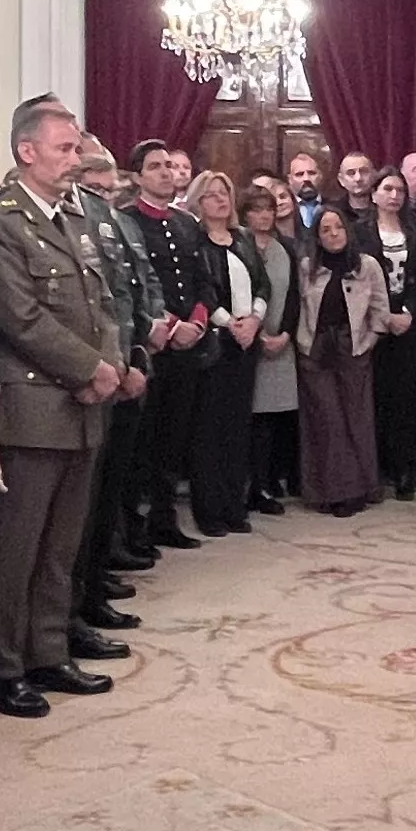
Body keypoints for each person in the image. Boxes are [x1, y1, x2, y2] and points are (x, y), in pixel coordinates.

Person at [0, 97, 126, 716]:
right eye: (64, 148)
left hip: (87, 402)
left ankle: (48, 652)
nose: (76, 158)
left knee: (62, 542)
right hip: (37, 405)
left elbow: (102, 300)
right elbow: (19, 317)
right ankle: (5, 667)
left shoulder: (76, 217)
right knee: (19, 545)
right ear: (26, 151)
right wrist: (90, 369)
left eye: (77, 147)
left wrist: (108, 367)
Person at [66, 137, 148, 647]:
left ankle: (92, 586)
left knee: (104, 494)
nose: (100, 194)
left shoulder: (112, 221)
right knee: (78, 511)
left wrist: (135, 357)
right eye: (90, 185)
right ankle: (79, 599)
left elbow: (130, 292)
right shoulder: (71, 224)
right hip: (86, 375)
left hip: (121, 364)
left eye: (105, 186)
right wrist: (109, 366)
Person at [119, 140, 212, 554]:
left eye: (169, 166)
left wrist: (196, 321)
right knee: (143, 441)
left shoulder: (187, 223)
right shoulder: (126, 221)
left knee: (177, 437)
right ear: (137, 176)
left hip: (189, 347)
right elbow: (133, 287)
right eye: (155, 167)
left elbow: (202, 281)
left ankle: (165, 518)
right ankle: (132, 527)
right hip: (150, 347)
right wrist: (170, 327)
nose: (165, 173)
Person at [295, 200, 391, 515]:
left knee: (357, 419)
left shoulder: (367, 265)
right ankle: (330, 491)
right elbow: (297, 309)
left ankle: (361, 487)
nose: (334, 234)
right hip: (317, 353)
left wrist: (371, 339)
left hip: (354, 350)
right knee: (328, 420)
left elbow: (380, 308)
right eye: (326, 229)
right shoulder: (307, 267)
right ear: (317, 236)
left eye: (338, 227)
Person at [181, 170, 263, 532]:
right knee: (209, 431)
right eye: (211, 194)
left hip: (247, 341)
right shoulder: (193, 241)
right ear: (198, 202)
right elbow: (202, 291)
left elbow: (262, 284)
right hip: (215, 343)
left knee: (237, 427)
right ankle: (210, 510)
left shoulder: (243, 238)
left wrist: (255, 321)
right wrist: (230, 323)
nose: (220, 199)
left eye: (224, 193)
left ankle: (234, 506)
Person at [362, 168, 416, 495]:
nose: (394, 196)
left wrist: (408, 311)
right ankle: (376, 470)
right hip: (374, 325)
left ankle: (406, 468)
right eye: (388, 189)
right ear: (374, 194)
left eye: (399, 190)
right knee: (376, 397)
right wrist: (384, 315)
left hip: (411, 323)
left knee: (408, 399)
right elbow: (356, 278)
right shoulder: (359, 231)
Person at [238, 180, 302, 508]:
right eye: (257, 210)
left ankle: (271, 480)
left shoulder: (286, 247)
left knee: (278, 416)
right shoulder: (238, 244)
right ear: (245, 213)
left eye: (269, 210)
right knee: (253, 419)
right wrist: (258, 334)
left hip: (281, 341)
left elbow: (294, 296)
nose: (264, 216)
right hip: (247, 341)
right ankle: (254, 486)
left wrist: (285, 335)